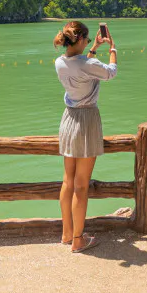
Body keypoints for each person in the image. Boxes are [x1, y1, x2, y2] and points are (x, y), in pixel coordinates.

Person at [53, 20, 117, 254]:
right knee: (81, 186)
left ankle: (67, 233)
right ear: (79, 40)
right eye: (88, 39)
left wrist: (92, 50)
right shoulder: (88, 64)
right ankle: (79, 240)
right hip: (87, 121)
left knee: (68, 181)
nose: (89, 43)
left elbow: (81, 65)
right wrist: (112, 49)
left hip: (68, 120)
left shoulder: (59, 62)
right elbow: (110, 73)